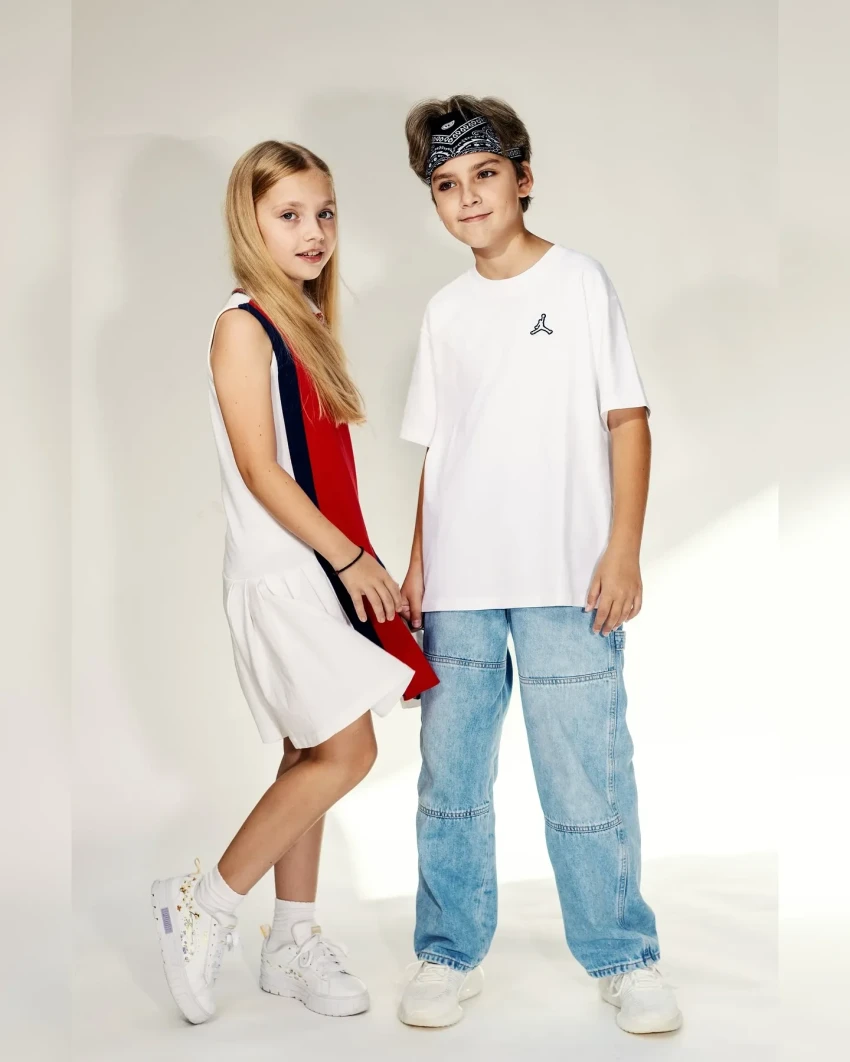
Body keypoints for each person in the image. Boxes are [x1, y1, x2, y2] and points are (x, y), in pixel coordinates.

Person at [396, 96, 682, 1035]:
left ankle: (623, 956)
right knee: (450, 786)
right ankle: (447, 953)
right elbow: (436, 451)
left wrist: (623, 548)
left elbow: (627, 419)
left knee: (586, 781)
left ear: (522, 177)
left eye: (484, 174)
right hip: (460, 589)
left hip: (567, 579)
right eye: (446, 184)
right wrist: (417, 569)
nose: (468, 197)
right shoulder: (445, 312)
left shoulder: (580, 282)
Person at [151, 140, 437, 1025]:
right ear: (250, 222)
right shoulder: (243, 324)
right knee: (349, 753)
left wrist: (359, 559)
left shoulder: (302, 321)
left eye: (325, 213)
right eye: (289, 215)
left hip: (314, 568)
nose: (314, 231)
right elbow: (261, 469)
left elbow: (323, 476)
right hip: (281, 575)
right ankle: (203, 903)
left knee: (310, 753)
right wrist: (352, 561)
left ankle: (291, 940)